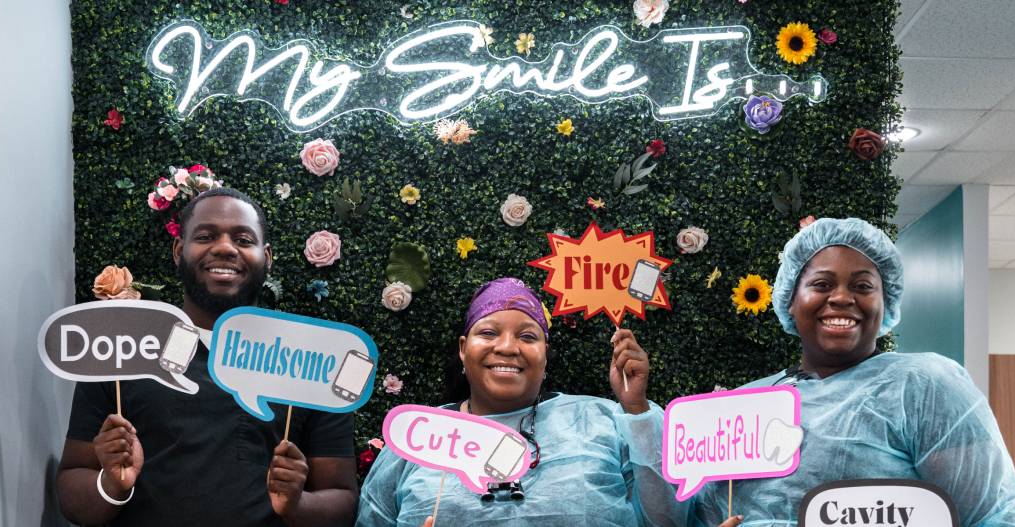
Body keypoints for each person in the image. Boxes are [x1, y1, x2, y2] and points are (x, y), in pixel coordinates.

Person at [698, 218, 1015, 527]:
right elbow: (697, 514)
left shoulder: (924, 388)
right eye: (822, 284)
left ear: (886, 302)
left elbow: (995, 516)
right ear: (790, 300)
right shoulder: (744, 407)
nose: (842, 297)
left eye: (863, 286)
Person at [56, 188, 358, 525]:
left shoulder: (313, 361)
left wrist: (297, 505)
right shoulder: (122, 351)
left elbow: (342, 498)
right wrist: (110, 485)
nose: (225, 248)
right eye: (205, 236)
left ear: (267, 257)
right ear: (179, 250)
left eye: (243, 239)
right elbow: (72, 486)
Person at [357, 278, 692, 526]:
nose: (507, 347)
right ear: (462, 349)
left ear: (545, 356)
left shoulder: (603, 420)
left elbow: (670, 521)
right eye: (488, 333)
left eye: (528, 336)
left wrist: (637, 410)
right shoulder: (416, 436)